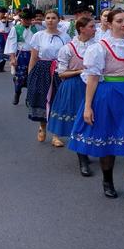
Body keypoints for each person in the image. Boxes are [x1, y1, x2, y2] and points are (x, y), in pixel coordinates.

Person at [68, 9, 124, 212]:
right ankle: (107, 180)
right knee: (108, 142)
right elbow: (92, 77)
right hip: (107, 95)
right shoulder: (99, 48)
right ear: (109, 24)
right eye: (119, 21)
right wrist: (88, 106)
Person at [48, 17, 96, 177]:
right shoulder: (68, 48)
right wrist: (79, 71)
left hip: (94, 84)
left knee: (93, 119)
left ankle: (86, 151)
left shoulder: (97, 46)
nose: (95, 29)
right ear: (82, 29)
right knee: (79, 120)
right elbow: (61, 73)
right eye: (91, 26)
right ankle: (82, 159)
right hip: (74, 86)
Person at [26, 10, 71, 146]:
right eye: (48, 18)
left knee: (57, 101)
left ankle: (56, 135)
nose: (50, 20)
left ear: (58, 20)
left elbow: (69, 56)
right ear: (45, 20)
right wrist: (30, 75)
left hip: (59, 70)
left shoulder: (66, 37)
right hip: (42, 69)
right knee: (42, 99)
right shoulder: (38, 36)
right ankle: (43, 126)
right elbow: (33, 57)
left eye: (53, 18)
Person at [5, 10, 38, 104]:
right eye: (25, 19)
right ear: (21, 19)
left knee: (33, 77)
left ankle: (29, 97)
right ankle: (17, 92)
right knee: (20, 77)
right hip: (21, 55)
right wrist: (12, 58)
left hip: (34, 55)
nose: (27, 21)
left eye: (29, 19)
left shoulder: (36, 28)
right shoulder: (15, 28)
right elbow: (11, 43)